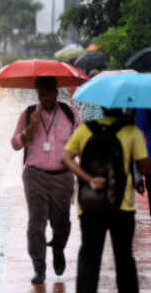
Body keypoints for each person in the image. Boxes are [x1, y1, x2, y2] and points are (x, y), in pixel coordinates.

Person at [62, 108, 150, 293]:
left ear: (101, 107)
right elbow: (144, 168)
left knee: (89, 258)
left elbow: (66, 158)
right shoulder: (132, 131)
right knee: (124, 259)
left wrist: (88, 178)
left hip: (89, 205)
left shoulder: (85, 130)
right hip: (122, 206)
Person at [11, 76, 81, 284]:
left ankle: (58, 248)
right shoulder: (29, 113)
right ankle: (39, 267)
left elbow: (80, 140)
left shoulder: (70, 113)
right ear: (38, 94)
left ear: (56, 93)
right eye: (41, 94)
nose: (45, 98)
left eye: (49, 94)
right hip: (35, 175)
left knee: (61, 223)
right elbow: (15, 144)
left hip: (63, 176)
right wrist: (29, 129)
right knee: (36, 223)